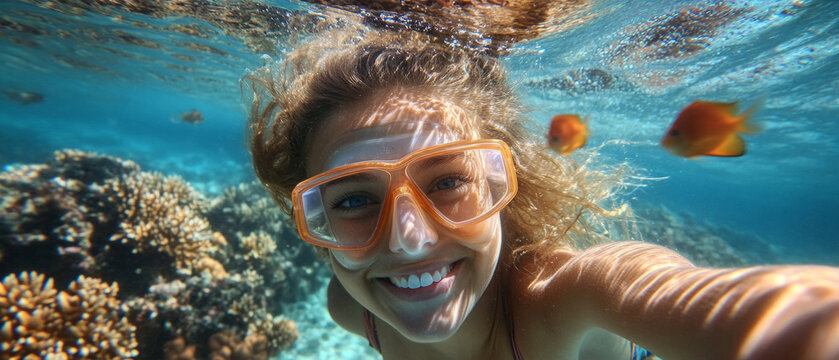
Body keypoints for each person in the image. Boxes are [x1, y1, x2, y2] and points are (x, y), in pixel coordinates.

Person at [242, 26, 839, 360]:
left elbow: (698, 300)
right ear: (311, 222)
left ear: (506, 184)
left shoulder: (568, 297)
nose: (409, 239)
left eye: (448, 181)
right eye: (350, 200)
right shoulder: (350, 309)